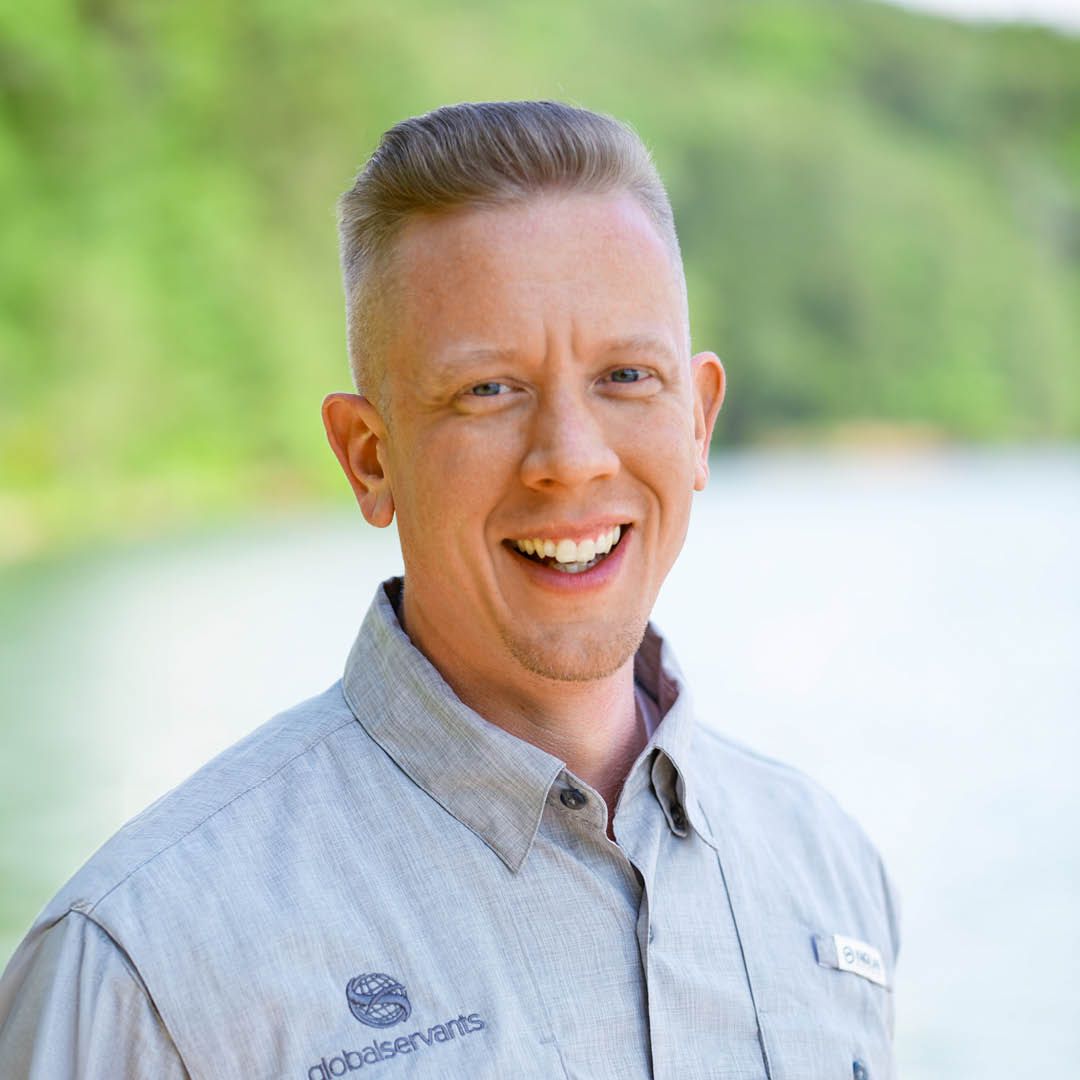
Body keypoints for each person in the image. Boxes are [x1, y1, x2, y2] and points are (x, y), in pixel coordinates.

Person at [0, 101, 899, 1079]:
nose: (570, 459)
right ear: (370, 458)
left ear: (698, 422)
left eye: (628, 376)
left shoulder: (828, 869)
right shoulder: (139, 968)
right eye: (488, 391)